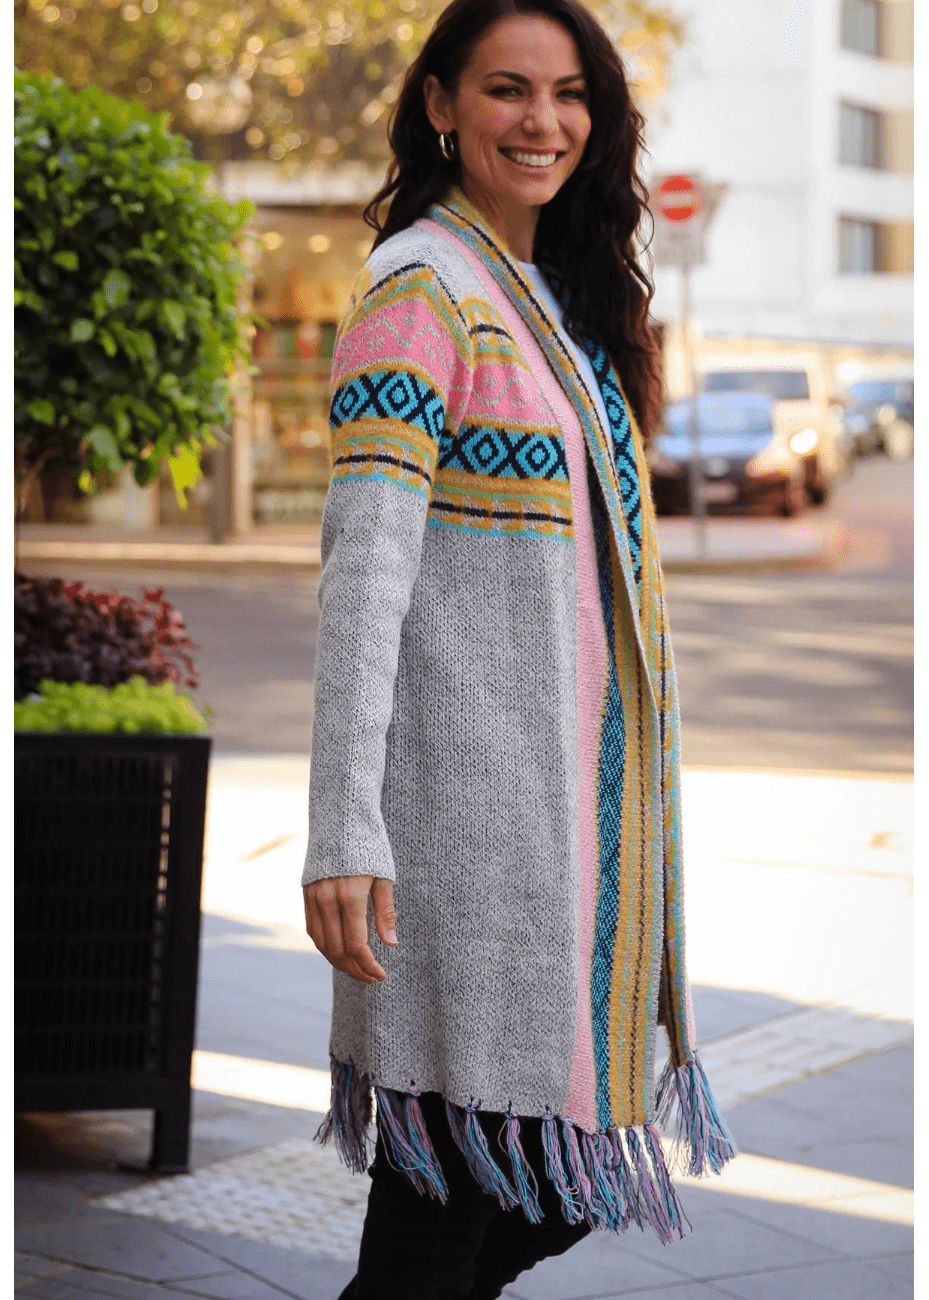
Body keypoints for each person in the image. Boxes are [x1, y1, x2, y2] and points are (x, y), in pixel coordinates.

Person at [301, 1, 736, 1295]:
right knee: (449, 1224)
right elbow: (364, 574)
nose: (541, 121)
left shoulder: (551, 296)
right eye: (505, 90)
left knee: (525, 1202)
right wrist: (344, 828)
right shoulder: (423, 288)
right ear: (440, 106)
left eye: (569, 94)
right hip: (466, 844)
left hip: (565, 841)